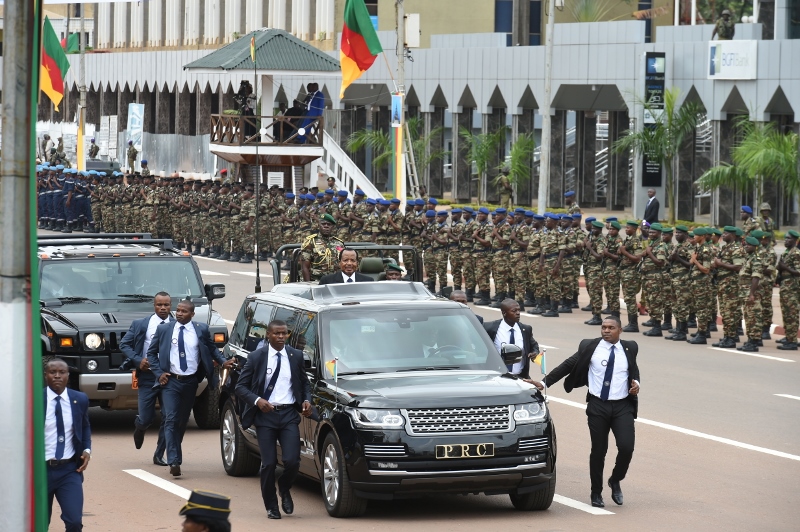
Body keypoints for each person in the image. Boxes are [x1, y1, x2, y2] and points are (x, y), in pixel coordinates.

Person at [528, 315, 640, 508]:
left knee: (626, 447)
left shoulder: (630, 347)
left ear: (619, 330)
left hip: (623, 406)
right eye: (603, 327)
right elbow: (568, 365)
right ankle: (596, 492)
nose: (606, 330)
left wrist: (637, 383)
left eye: (610, 328)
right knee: (599, 450)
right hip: (598, 406)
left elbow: (632, 369)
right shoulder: (589, 346)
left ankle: (615, 479)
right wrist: (545, 382)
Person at [147, 299, 235, 477]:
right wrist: (158, 373)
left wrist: (224, 362)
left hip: (190, 382)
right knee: (170, 419)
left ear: (192, 314)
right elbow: (151, 353)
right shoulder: (164, 329)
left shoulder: (201, 329)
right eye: (178, 310)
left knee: (181, 421)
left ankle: (172, 454)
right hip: (170, 382)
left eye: (184, 311)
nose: (179, 313)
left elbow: (212, 349)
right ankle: (174, 460)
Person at [235, 320, 313, 519]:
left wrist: (306, 400)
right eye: (276, 333)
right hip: (265, 417)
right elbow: (240, 387)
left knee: (292, 461)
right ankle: (271, 505)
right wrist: (258, 401)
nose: (280, 337)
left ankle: (284, 488)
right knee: (268, 464)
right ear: (268, 335)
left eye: (284, 334)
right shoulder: (256, 357)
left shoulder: (295, 356)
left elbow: (304, 384)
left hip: (288, 415)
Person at [119, 292, 172, 465]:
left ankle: (159, 454)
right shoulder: (141, 324)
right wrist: (138, 360)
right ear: (154, 305)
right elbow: (124, 344)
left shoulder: (178, 325)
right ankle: (140, 426)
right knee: (147, 417)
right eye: (159, 305)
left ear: (171, 306)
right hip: (148, 376)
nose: (163, 308)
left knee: (168, 416)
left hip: (169, 377)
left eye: (166, 305)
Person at [44, 358, 92, 532]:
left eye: (61, 372)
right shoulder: (35, 400)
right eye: (52, 372)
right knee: (40, 523)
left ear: (68, 376)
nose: (57, 376)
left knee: (74, 521)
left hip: (69, 470)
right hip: (40, 472)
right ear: (46, 375)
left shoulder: (79, 399)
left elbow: (85, 427)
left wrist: (87, 450)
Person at [483, 299, 540, 378]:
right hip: (497, 376)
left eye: (519, 310)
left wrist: (535, 352)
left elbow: (534, 345)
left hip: (520, 376)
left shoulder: (525, 329)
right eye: (514, 311)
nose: (518, 313)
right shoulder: (490, 328)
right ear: (504, 313)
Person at [300, 214, 346, 281]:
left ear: (332, 227)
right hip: (317, 281)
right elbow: (305, 267)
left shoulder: (339, 243)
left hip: (335, 281)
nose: (326, 226)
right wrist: (309, 284)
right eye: (323, 224)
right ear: (319, 225)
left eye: (329, 224)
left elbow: (343, 264)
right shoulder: (311, 242)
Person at [777, 230, 800, 350]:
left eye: (788, 238)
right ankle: (789, 337)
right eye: (785, 238)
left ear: (795, 241)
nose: (786, 240)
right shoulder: (787, 253)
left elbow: (798, 272)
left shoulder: (796, 253)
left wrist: (784, 267)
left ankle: (792, 341)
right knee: (786, 313)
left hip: (793, 288)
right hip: (786, 287)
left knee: (791, 314)